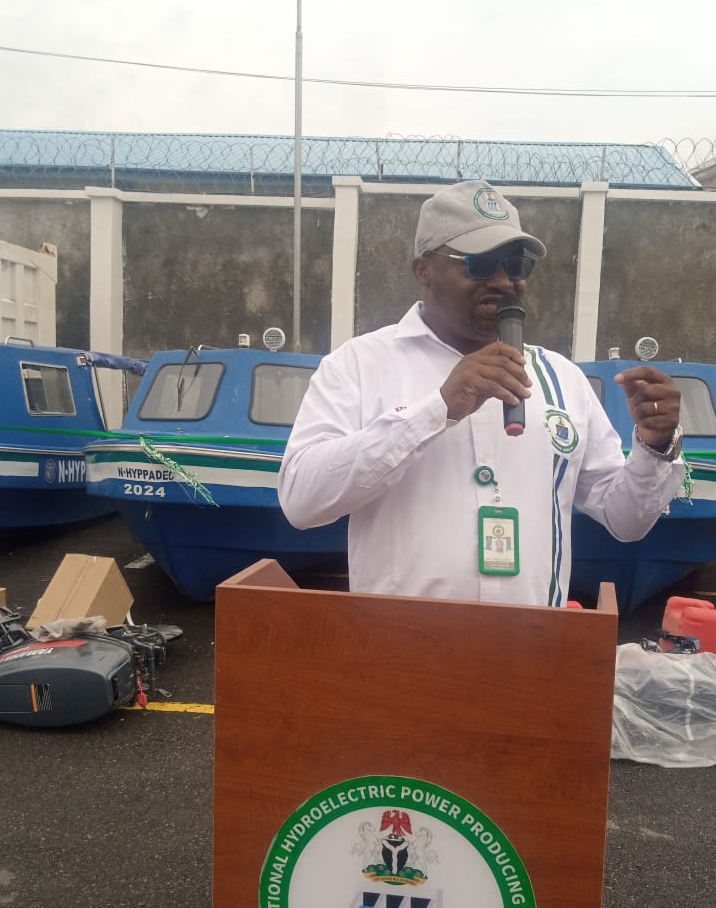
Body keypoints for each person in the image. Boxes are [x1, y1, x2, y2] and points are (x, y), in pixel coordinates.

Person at [278, 179, 684, 607]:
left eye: (517, 265)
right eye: (481, 264)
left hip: (533, 643)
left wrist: (656, 447)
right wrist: (437, 409)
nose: (505, 281)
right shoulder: (359, 364)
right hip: (401, 644)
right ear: (424, 271)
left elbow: (625, 520)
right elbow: (301, 501)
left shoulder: (562, 379)